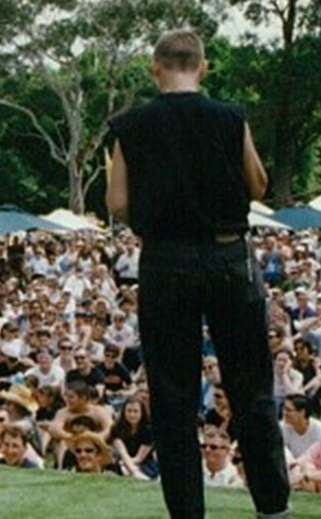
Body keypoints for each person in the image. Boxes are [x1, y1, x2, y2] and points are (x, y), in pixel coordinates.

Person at [106, 29, 289, 519]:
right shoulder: (230, 117)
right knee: (250, 389)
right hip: (229, 257)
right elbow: (257, 183)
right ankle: (273, 508)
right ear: (203, 67)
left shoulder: (130, 124)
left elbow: (118, 202)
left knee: (172, 397)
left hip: (165, 262)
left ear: (154, 67)